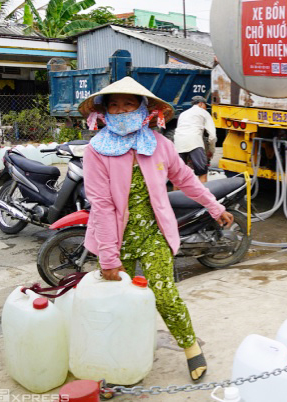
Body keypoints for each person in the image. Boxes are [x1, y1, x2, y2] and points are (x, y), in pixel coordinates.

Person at [80, 77, 234, 381]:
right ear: (104, 112)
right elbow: (102, 206)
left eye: (128, 104)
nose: (121, 111)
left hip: (154, 234)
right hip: (114, 239)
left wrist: (215, 207)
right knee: (114, 304)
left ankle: (191, 347)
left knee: (164, 294)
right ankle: (113, 361)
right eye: (114, 105)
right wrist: (109, 258)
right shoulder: (96, 151)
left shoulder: (160, 145)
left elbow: (187, 179)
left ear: (144, 109)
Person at [173, 95, 217, 183]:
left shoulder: (183, 114)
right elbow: (212, 136)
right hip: (194, 143)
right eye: (205, 105)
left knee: (178, 176)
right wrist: (211, 150)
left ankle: (176, 196)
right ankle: (203, 196)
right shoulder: (204, 112)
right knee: (202, 173)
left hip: (178, 143)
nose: (205, 108)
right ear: (201, 104)